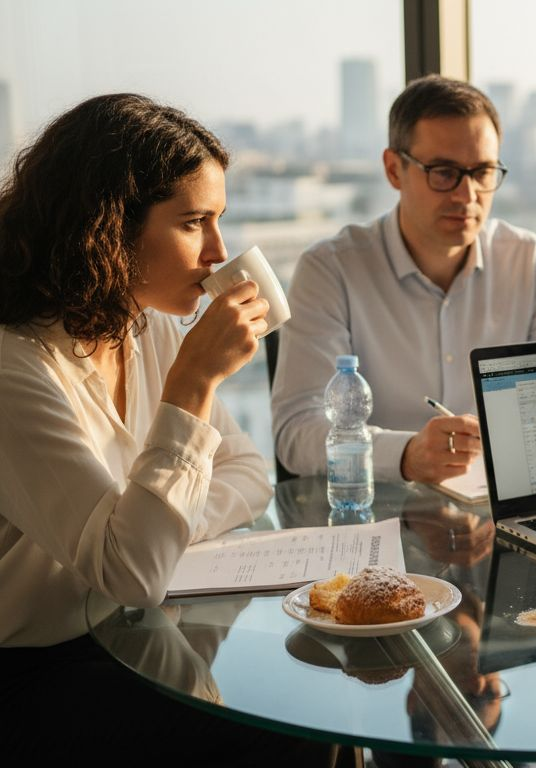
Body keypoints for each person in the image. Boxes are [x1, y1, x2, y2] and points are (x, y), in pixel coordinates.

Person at [0, 94, 331, 764]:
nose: (219, 253)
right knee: (288, 743)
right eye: (193, 224)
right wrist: (193, 385)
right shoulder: (15, 368)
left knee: (317, 703)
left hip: (140, 628)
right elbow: (132, 570)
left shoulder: (145, 325)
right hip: (34, 668)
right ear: (108, 226)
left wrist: (154, 529)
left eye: (220, 222)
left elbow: (247, 476)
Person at [273, 76, 536, 485]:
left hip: (504, 510)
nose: (467, 195)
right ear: (393, 169)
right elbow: (297, 432)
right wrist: (406, 455)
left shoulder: (529, 260)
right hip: (378, 518)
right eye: (444, 172)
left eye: (483, 172)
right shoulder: (331, 270)